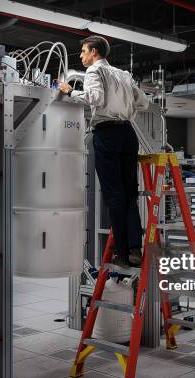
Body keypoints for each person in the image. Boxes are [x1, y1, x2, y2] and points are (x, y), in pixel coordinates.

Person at [58, 35, 149, 268]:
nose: (81, 56)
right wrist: (124, 107)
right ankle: (135, 249)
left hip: (107, 133)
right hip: (128, 134)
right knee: (129, 193)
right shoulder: (124, 74)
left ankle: (122, 254)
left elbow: (94, 98)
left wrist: (69, 91)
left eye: (83, 51)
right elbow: (144, 103)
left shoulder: (93, 72)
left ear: (95, 52)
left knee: (114, 195)